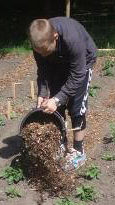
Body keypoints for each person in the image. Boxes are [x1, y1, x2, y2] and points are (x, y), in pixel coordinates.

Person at [28, 17, 97, 171]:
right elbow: (43, 69)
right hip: (58, 63)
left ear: (55, 37)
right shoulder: (39, 43)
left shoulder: (72, 39)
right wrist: (43, 93)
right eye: (40, 52)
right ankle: (62, 145)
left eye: (46, 50)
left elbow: (77, 74)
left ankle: (79, 151)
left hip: (82, 63)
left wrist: (58, 98)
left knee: (76, 108)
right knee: (55, 107)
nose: (43, 54)